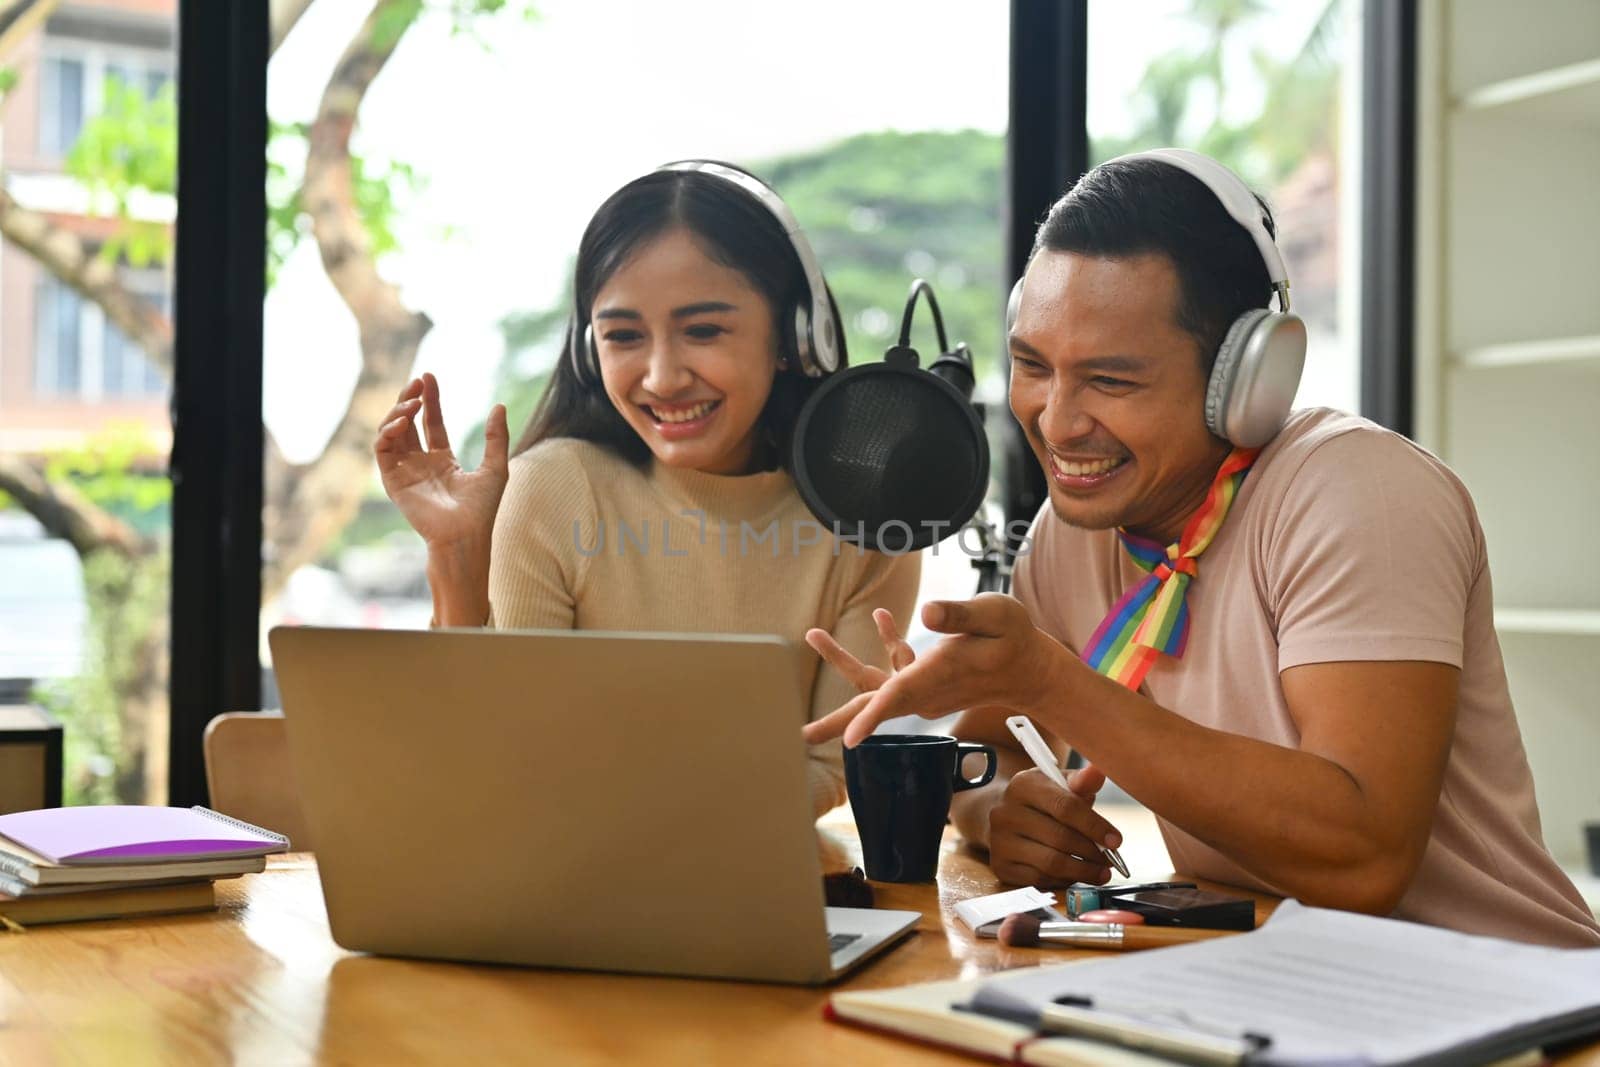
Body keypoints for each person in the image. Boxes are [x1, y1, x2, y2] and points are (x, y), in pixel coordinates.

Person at [803, 150, 1600, 946]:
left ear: (1247, 376)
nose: (1055, 420)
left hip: (1497, 989)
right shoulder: (1071, 534)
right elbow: (992, 752)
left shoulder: (1361, 493)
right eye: (1032, 366)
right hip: (1271, 972)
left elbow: (1365, 861)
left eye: (1111, 381)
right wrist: (999, 812)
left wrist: (1054, 682)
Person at [375, 161, 920, 817]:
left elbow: (825, 767)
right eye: (624, 336)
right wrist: (458, 559)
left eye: (703, 330)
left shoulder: (866, 520)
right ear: (588, 350)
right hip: (564, 884)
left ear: (794, 336)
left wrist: (655, 820)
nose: (662, 378)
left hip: (745, 877)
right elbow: (501, 762)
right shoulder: (554, 489)